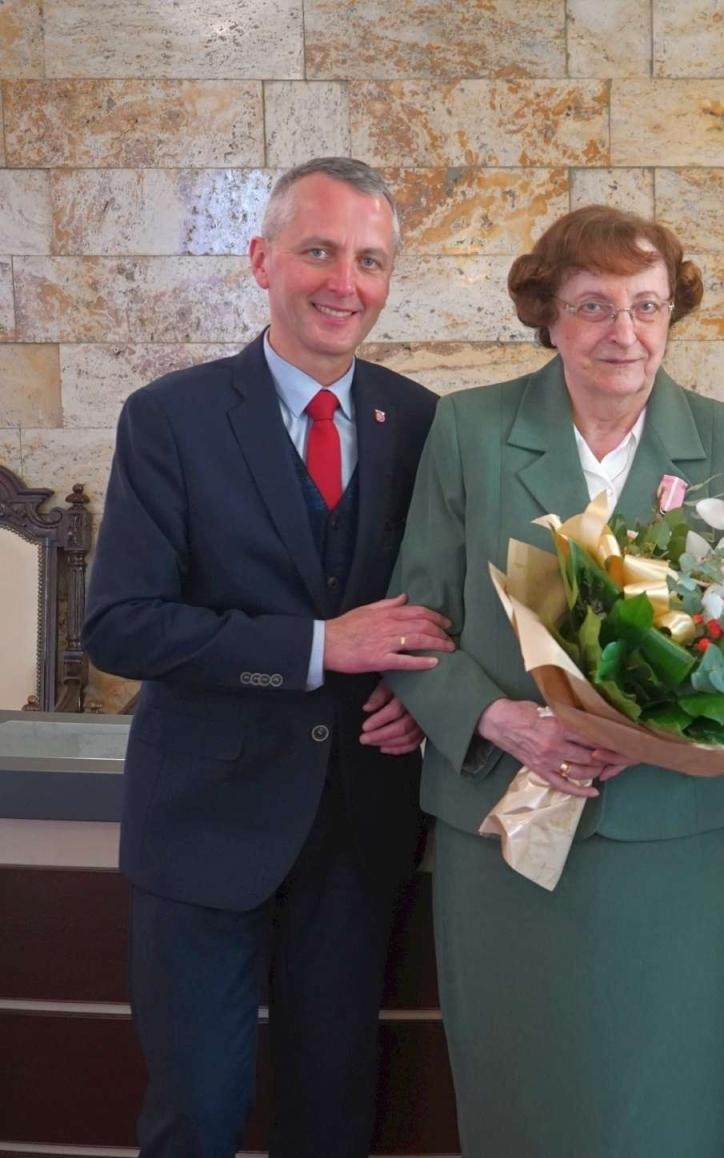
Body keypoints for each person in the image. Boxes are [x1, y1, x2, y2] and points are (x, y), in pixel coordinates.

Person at [384, 205, 724, 1157]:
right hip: (506, 822)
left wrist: (672, 728)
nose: (623, 332)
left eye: (647, 305)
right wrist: (500, 717)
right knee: (523, 1094)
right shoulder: (469, 431)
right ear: (546, 315)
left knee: (663, 1099)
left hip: (671, 841)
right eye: (593, 305)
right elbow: (414, 624)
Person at [84, 157, 450, 1157]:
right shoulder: (171, 418)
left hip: (358, 831)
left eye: (370, 260)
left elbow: (445, 615)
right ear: (262, 260)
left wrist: (427, 697)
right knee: (197, 1115)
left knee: (332, 1121)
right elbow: (120, 625)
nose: (345, 282)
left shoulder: (424, 424)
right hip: (202, 829)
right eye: (320, 251)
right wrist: (318, 648)